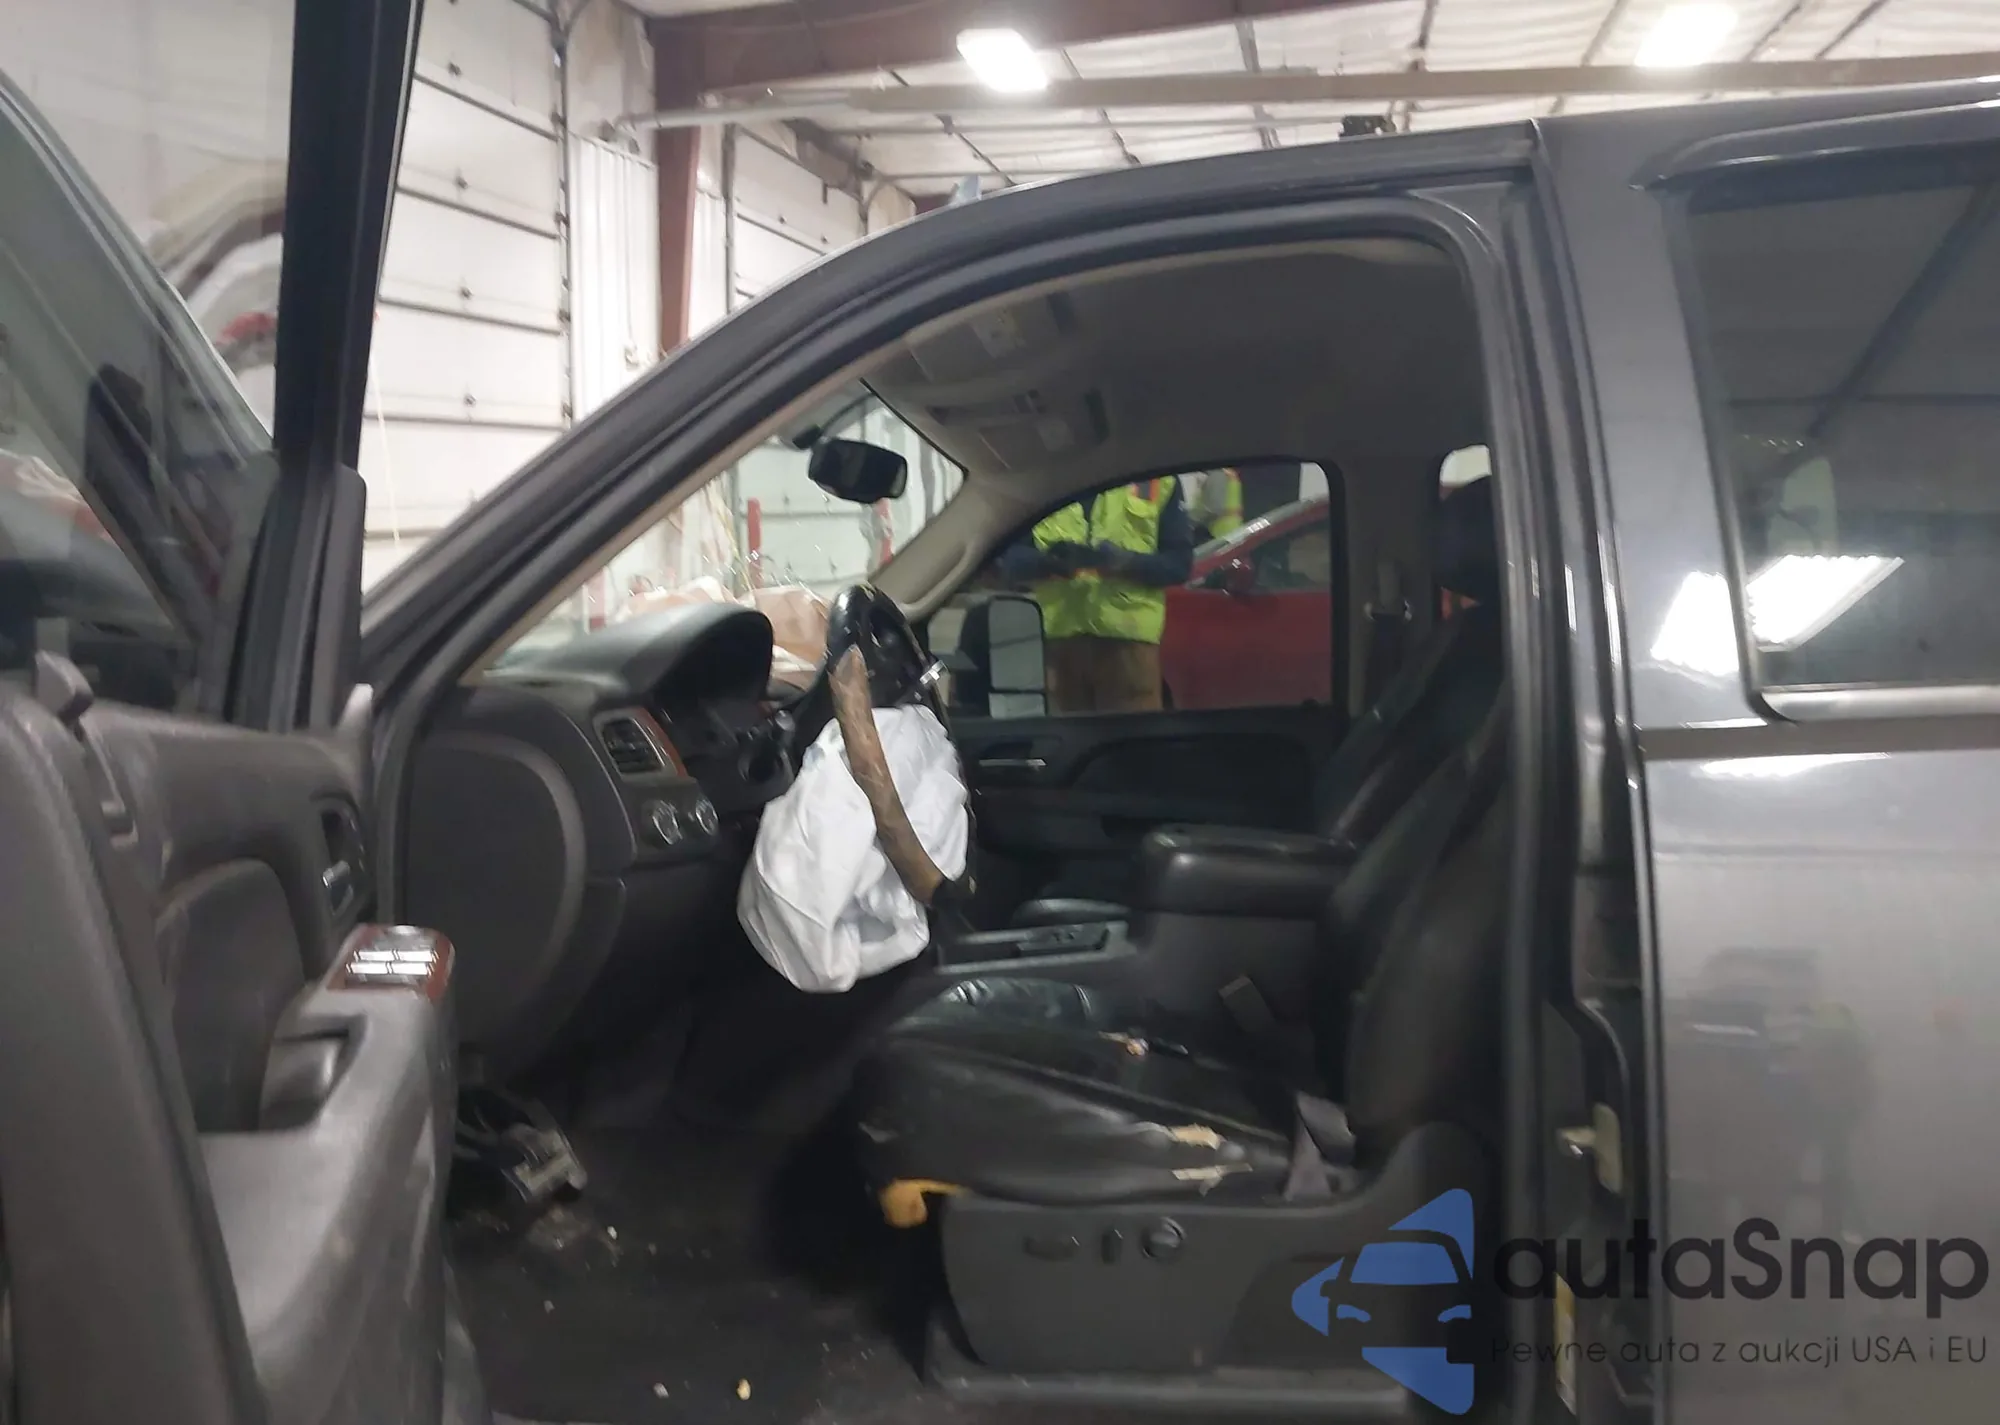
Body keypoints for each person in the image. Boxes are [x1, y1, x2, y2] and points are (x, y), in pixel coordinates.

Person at [999, 477, 1194, 713]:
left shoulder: (1158, 479)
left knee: (1130, 735)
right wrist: (1047, 563)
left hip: (1127, 647)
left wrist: (1127, 563)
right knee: (1069, 735)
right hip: (1061, 646)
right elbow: (1011, 561)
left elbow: (1179, 564)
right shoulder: (1042, 480)